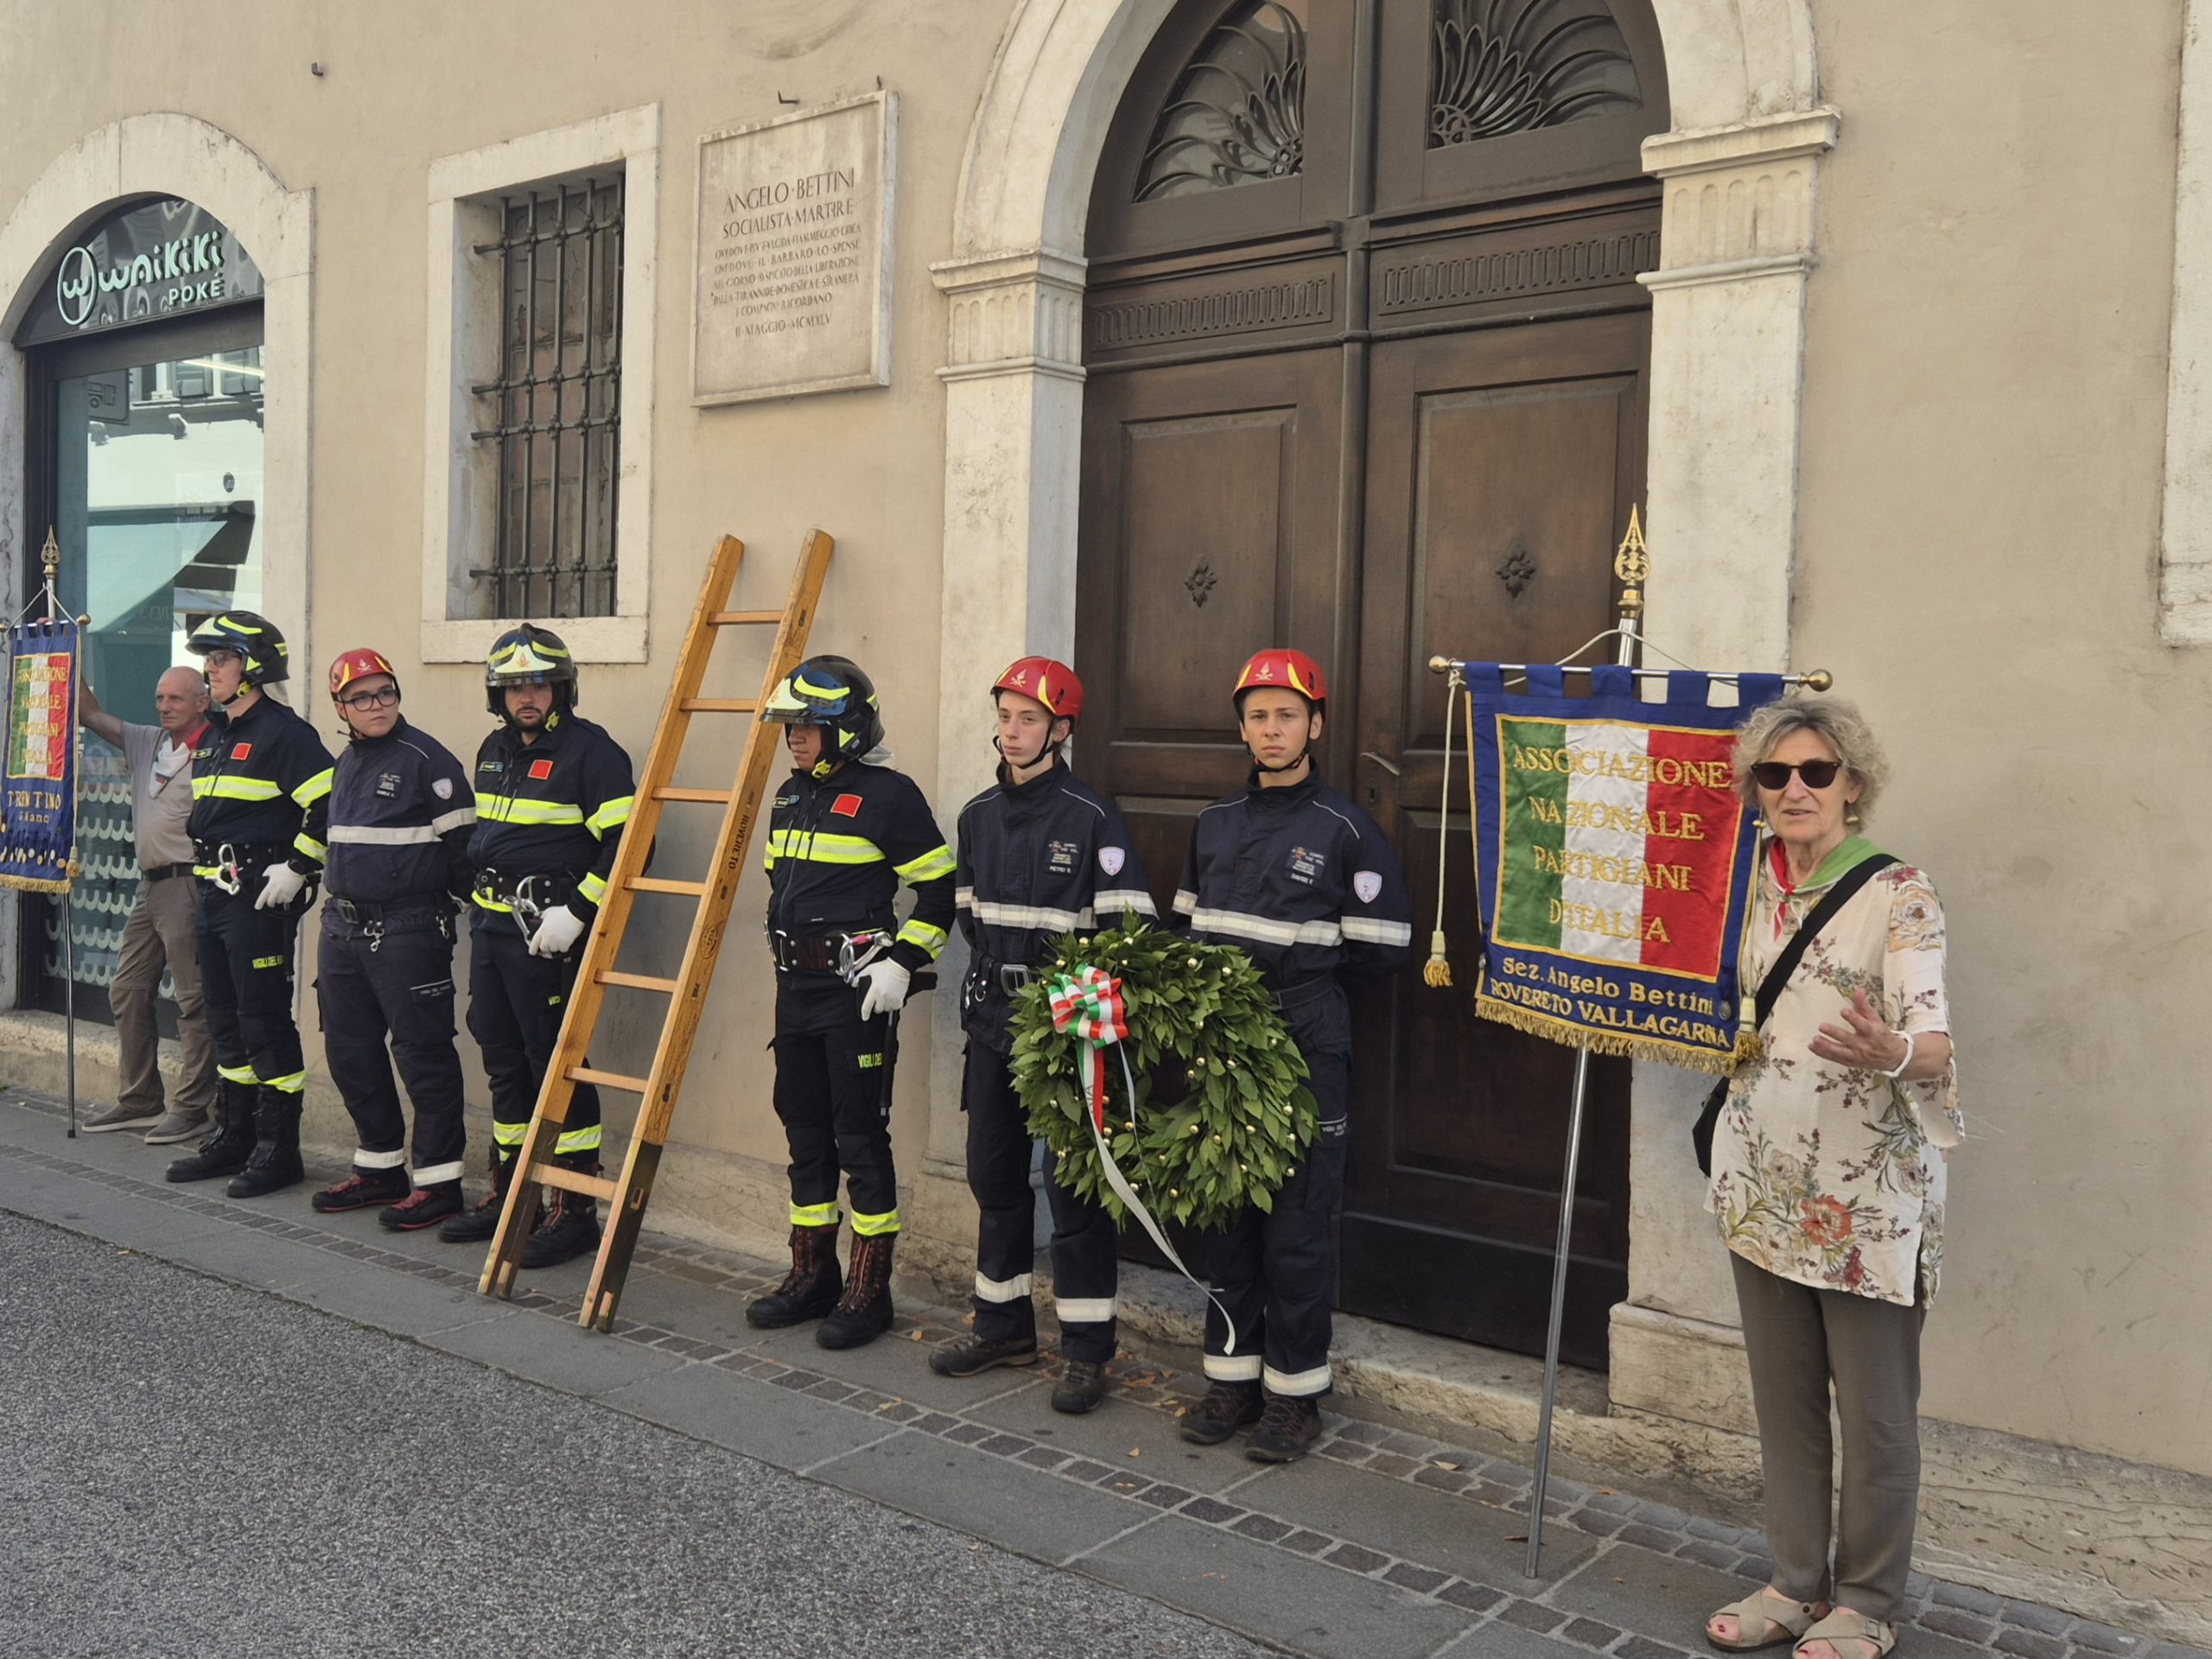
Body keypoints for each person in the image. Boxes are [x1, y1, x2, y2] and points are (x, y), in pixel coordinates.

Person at [1700, 697, 1957, 1659]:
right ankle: (1794, 1582)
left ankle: (1868, 1601)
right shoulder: (1743, 886)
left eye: (1817, 771)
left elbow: (1933, 1045)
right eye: (1775, 774)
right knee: (1786, 1402)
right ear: (1755, 790)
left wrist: (1893, 1051)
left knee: (1876, 1415)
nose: (1795, 789)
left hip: (1865, 1198)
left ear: (1854, 784)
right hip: (1762, 1181)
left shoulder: (1900, 893)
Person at [1173, 648, 1410, 1463]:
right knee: (1227, 1219)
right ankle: (1231, 1382)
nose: (1271, 730)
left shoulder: (1347, 830)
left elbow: (1381, 948)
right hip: (1221, 1050)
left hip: (1306, 1045)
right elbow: (1185, 930)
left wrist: (1300, 994)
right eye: (1257, 717)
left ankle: (1294, 1398)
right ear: (1241, 729)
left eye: (1286, 716)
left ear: (1316, 724)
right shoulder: (1213, 823)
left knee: (1297, 1230)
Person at [930, 657, 1157, 1413]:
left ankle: (1086, 1353)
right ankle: (1002, 1329)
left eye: (1028, 719)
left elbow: (1130, 932)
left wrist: (1073, 1000)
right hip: (992, 1021)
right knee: (993, 1177)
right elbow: (970, 918)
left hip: (1068, 1028)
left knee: (1073, 1190)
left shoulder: (1093, 818)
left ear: (1061, 730)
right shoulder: (976, 816)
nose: (1012, 732)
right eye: (1004, 717)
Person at [746, 655, 957, 1350]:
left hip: (856, 996)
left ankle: (870, 1291)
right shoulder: (789, 795)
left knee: (860, 1139)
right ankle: (813, 1275)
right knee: (804, 1133)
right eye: (790, 727)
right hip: (794, 990)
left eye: (808, 726)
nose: (795, 738)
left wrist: (902, 962)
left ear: (848, 730)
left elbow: (940, 892)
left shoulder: (889, 797)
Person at [439, 625, 633, 1267]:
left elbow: (631, 844)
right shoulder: (494, 749)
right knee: (503, 1060)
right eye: (515, 686)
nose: (527, 697)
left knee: (557, 1063)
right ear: (498, 694)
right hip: (493, 931)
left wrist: (578, 912)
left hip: (548, 938)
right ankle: (512, 1193)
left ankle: (572, 1211)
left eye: (540, 685)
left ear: (562, 689)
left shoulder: (592, 753)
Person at [308, 649, 478, 1230]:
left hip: (407, 931)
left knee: (423, 1057)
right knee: (350, 1052)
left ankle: (439, 1185)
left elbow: (465, 858)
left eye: (386, 692)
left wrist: (446, 917)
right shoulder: (346, 763)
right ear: (341, 708)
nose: (377, 705)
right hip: (342, 929)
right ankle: (379, 1169)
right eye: (361, 698)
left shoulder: (428, 760)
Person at [164, 612, 334, 1197]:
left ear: (252, 667)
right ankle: (234, 1135)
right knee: (225, 1017)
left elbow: (329, 804)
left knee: (263, 1020)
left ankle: (279, 1149)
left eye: (220, 659)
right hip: (213, 894)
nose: (209, 670)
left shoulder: (285, 734)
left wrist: (299, 866)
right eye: (208, 660)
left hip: (258, 898)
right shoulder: (217, 734)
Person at [73, 667, 218, 1143]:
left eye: (175, 698)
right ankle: (139, 1100)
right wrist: (69, 652)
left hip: (188, 883)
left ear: (202, 702)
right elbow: (90, 715)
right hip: (149, 885)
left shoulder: (214, 749)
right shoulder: (148, 742)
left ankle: (194, 1108)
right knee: (128, 990)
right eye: (159, 697)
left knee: (194, 1001)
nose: (164, 706)